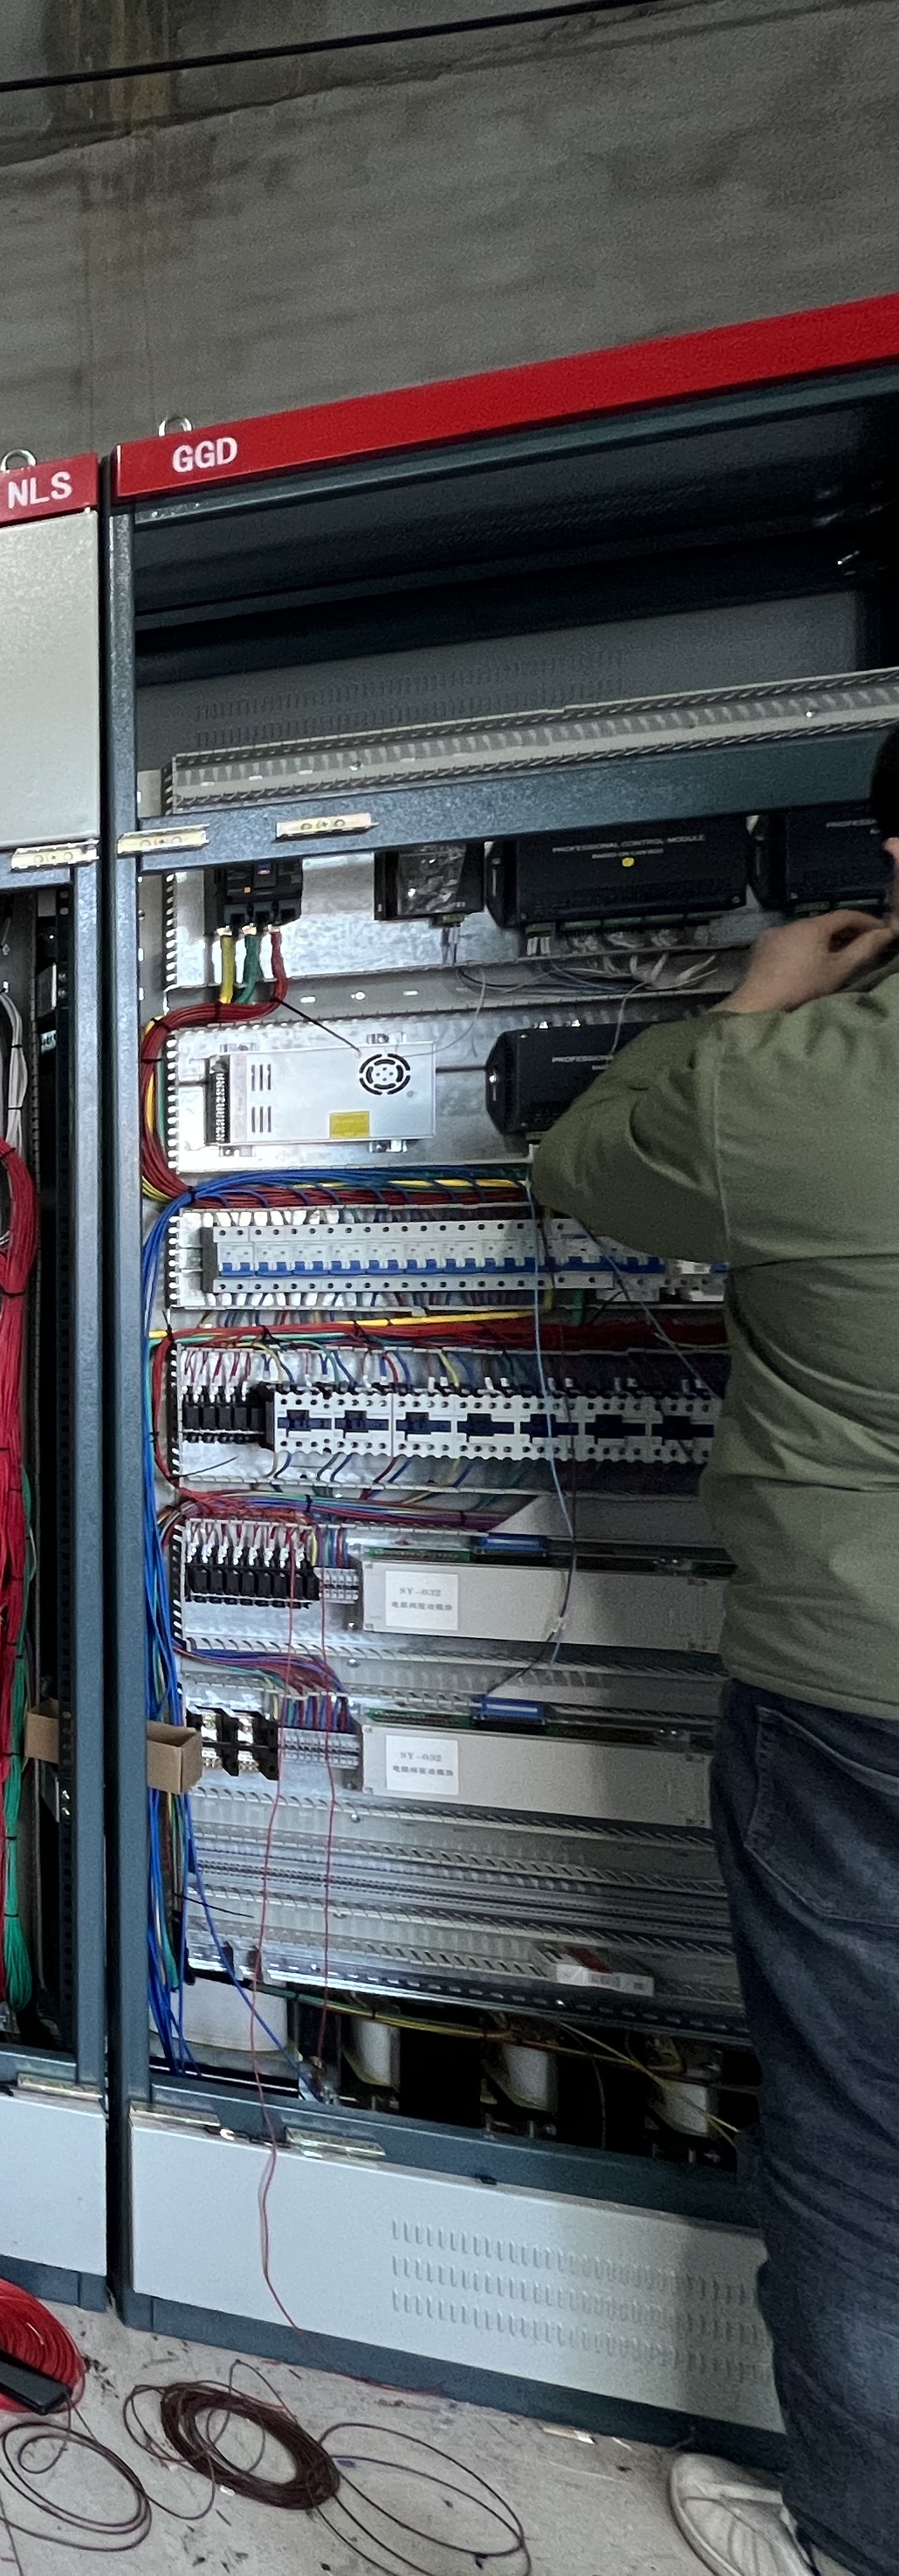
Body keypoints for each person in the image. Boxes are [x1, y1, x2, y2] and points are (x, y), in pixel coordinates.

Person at [532, 733, 899, 2576]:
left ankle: (856, 2534)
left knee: (862, 2128)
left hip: (858, 1680)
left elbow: (581, 1157)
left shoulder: (812, 1085)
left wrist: (750, 1006)